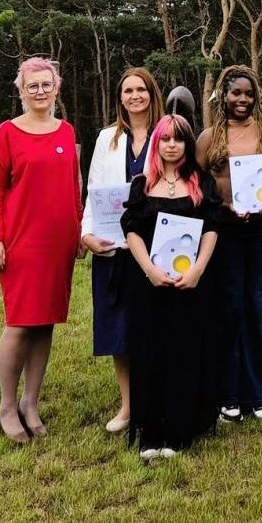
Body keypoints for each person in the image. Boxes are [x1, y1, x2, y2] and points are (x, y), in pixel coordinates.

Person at [0, 57, 82, 444]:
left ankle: (30, 402)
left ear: (56, 88)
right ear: (21, 91)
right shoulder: (7, 133)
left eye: (46, 84)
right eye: (32, 86)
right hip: (21, 242)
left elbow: (74, 189)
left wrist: (78, 232)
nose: (40, 91)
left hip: (59, 242)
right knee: (20, 322)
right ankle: (7, 405)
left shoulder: (66, 131)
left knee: (45, 323)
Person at [198, 65, 262, 423]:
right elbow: (198, 186)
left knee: (258, 305)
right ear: (223, 96)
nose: (242, 100)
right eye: (235, 93)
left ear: (257, 97)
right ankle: (228, 392)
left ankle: (258, 391)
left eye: (248, 93)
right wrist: (224, 207)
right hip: (225, 231)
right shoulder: (210, 137)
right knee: (230, 307)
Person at [122, 114, 223, 457]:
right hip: (150, 285)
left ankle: (179, 431)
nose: (171, 145)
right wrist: (149, 269)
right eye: (165, 139)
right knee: (151, 353)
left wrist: (196, 271)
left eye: (178, 139)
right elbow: (131, 228)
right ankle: (151, 432)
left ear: (187, 144)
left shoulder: (201, 183)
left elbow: (212, 227)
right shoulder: (142, 184)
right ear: (157, 143)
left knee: (184, 353)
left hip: (190, 286)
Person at [81, 66, 162, 434]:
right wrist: (86, 234)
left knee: (155, 326)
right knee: (120, 327)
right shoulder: (106, 138)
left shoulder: (169, 132)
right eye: (128, 90)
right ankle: (129, 406)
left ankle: (156, 403)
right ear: (120, 98)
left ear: (151, 93)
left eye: (141, 89)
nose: (134, 96)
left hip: (156, 245)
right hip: (114, 245)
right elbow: (94, 191)